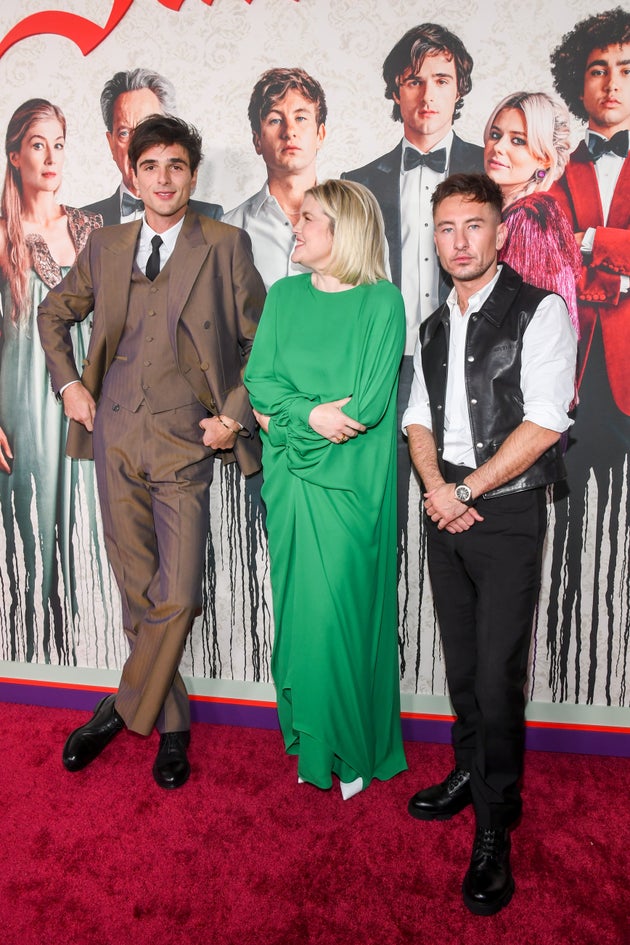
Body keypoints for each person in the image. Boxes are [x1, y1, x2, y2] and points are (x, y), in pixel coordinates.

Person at [38, 115, 265, 789]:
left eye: (175, 166)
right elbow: (54, 316)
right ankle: (170, 723)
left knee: (180, 591)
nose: (163, 179)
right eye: (150, 167)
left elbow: (262, 343)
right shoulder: (105, 245)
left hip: (184, 443)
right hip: (112, 436)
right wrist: (70, 382)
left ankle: (119, 706)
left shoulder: (224, 244)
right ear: (130, 174)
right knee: (139, 590)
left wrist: (233, 414)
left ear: (192, 176)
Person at [403, 174, 576, 915]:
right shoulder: (433, 324)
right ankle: (471, 772)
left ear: (501, 232)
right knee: (465, 663)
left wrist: (465, 491)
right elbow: (417, 420)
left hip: (503, 515)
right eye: (447, 228)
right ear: (435, 237)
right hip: (445, 511)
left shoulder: (541, 313)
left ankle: (496, 821)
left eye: (475, 225)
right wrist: (438, 488)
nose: (461, 241)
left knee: (500, 674)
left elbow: (545, 423)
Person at [244, 179, 407, 798]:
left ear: (344, 231)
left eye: (309, 218)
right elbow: (259, 382)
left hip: (349, 488)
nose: (297, 226)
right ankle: (315, 740)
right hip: (290, 485)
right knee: (300, 614)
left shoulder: (381, 302)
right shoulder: (284, 296)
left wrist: (284, 418)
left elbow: (363, 409)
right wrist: (309, 416)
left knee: (338, 615)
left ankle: (350, 741)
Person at [0, 98, 106, 662]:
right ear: (15, 153)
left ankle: (90, 663)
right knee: (32, 532)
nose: (49, 157)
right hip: (24, 404)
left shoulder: (92, 228)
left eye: (58, 145)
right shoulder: (2, 234)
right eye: (37, 144)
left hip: (89, 404)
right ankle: (30, 666)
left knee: (90, 534)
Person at [547, 8, 630, 701]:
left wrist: (589, 244)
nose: (610, 83)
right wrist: (612, 265)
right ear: (579, 80)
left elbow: (574, 256)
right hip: (573, 379)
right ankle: (571, 669)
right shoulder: (555, 170)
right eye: (598, 69)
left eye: (626, 70)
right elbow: (548, 267)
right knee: (568, 533)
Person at [343, 23, 484, 350]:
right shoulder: (357, 183)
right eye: (414, 81)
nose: (427, 95)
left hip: (471, 354)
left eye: (441, 80)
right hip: (386, 356)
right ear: (396, 91)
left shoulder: (491, 171)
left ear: (459, 89)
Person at [483, 91, 582, 332]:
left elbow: (530, 328)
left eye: (518, 140)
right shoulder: (512, 215)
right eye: (495, 135)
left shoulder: (530, 219)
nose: (498, 147)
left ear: (544, 158)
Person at [223, 67, 327, 289]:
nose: (290, 131)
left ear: (320, 135)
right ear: (257, 140)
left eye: (300, 117)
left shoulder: (358, 222)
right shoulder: (229, 230)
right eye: (275, 120)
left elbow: (378, 311)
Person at [84, 67, 222, 224]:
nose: (135, 145)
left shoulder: (210, 217)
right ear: (111, 143)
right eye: (124, 133)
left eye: (148, 129)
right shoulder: (83, 221)